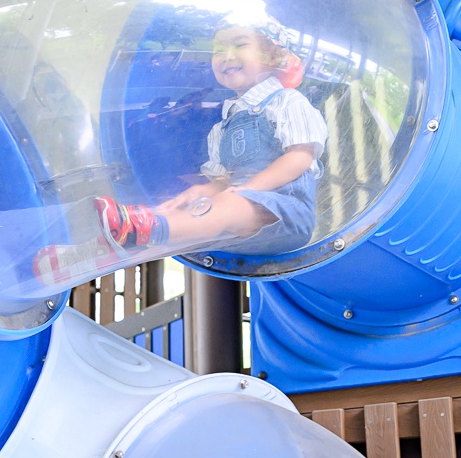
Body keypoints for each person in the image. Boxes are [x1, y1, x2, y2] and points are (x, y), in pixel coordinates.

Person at [33, 14, 327, 284]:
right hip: (236, 213)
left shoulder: (286, 102)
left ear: (272, 56)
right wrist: (198, 192)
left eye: (240, 45)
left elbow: (300, 156)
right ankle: (86, 256)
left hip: (285, 213)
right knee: (184, 213)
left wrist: (246, 188)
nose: (227, 56)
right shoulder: (223, 125)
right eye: (218, 50)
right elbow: (224, 181)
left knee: (225, 206)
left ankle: (146, 229)